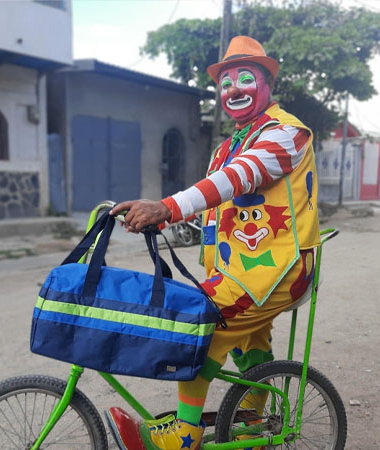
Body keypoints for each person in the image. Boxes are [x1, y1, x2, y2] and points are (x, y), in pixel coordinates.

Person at [107, 36, 321, 450]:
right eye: (226, 83)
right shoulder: (227, 145)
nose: (234, 89)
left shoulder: (286, 134)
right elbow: (215, 201)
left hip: (276, 268)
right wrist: (164, 220)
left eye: (245, 78)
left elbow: (237, 179)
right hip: (240, 270)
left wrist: (166, 208)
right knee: (249, 349)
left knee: (199, 327)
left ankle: (184, 435)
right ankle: (256, 426)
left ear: (266, 84)